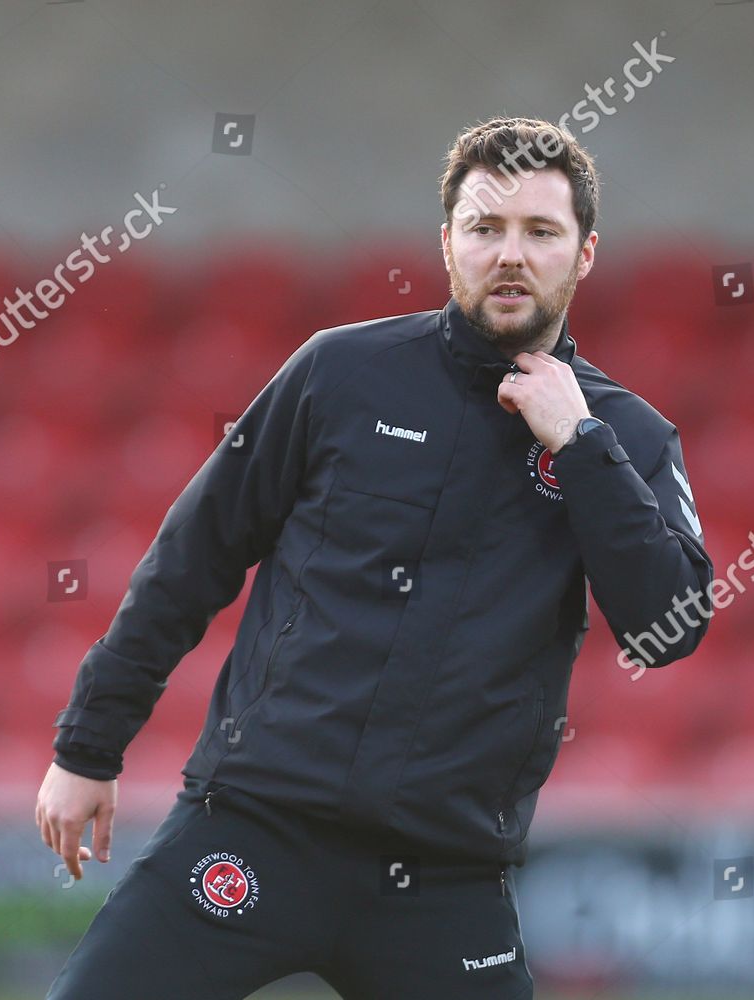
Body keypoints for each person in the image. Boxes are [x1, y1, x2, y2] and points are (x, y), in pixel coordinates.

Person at [38, 115, 715, 999]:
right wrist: (89, 746)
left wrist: (578, 445)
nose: (510, 253)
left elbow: (669, 629)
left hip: (445, 880)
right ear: (447, 244)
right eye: (485, 228)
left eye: (541, 232)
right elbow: (193, 556)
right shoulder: (340, 374)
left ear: (584, 254)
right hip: (254, 830)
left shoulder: (625, 436)